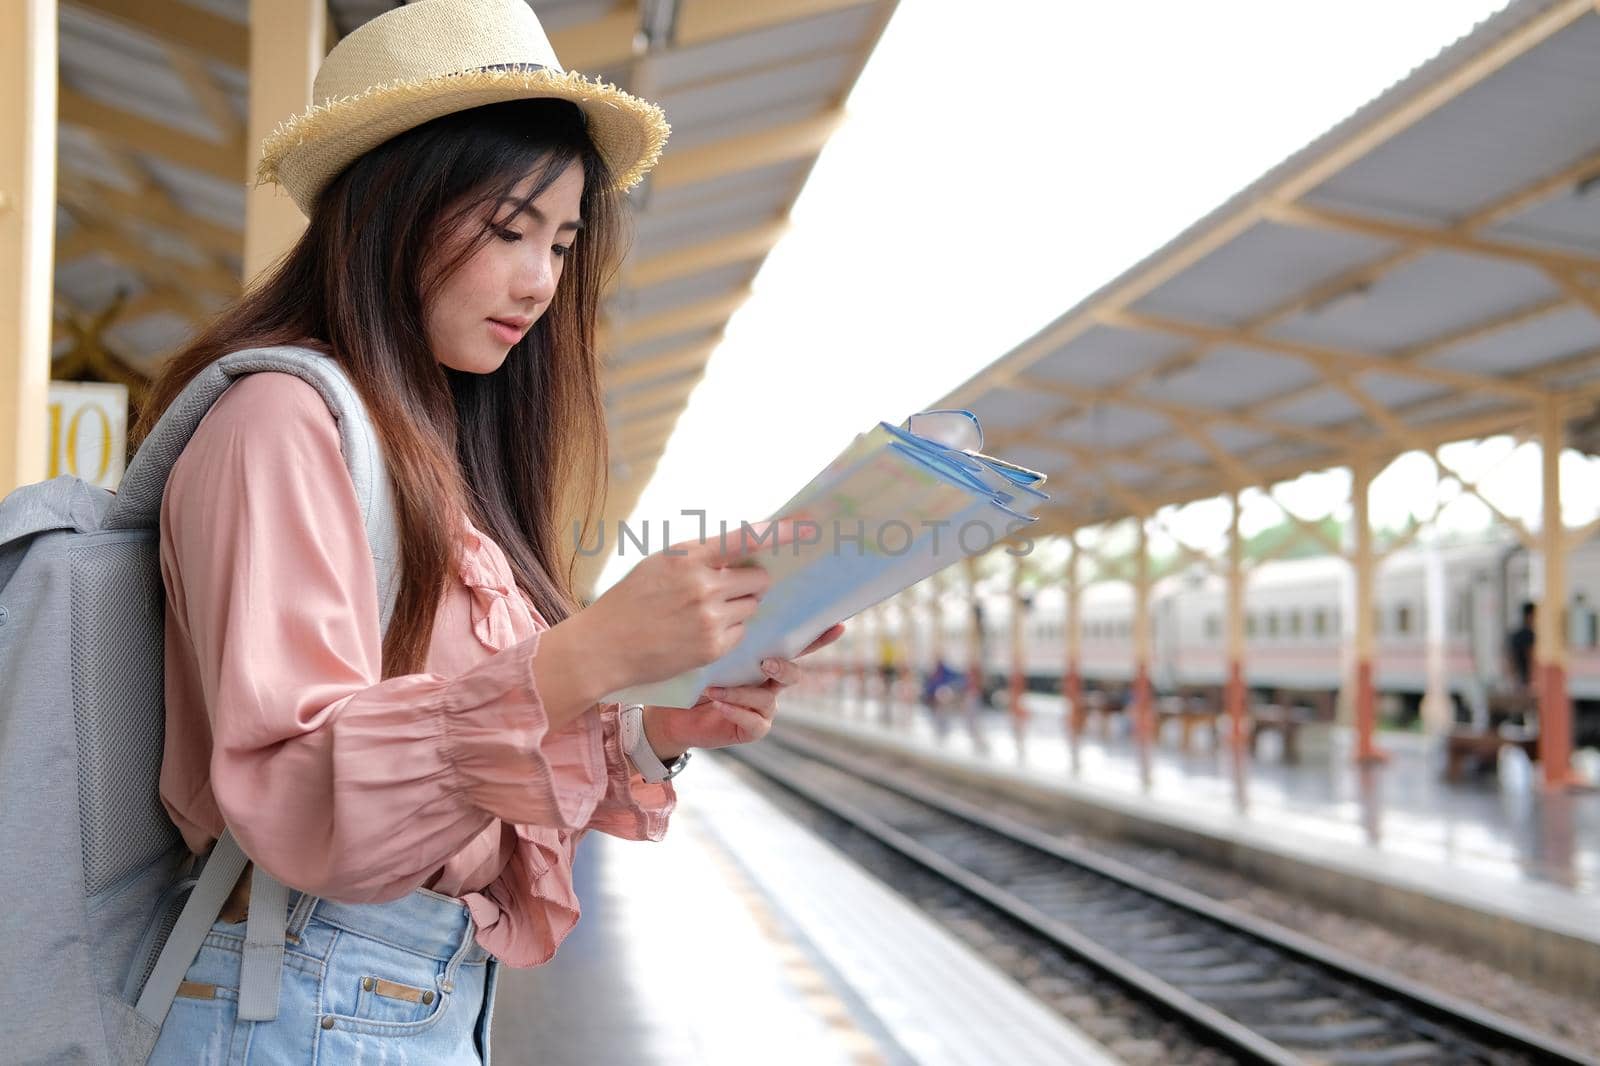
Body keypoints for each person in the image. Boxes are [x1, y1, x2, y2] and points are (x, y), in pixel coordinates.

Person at [136, 1, 843, 1061]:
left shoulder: (429, 452)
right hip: (291, 995)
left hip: (393, 993)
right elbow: (291, 790)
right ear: (392, 208)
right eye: (508, 229)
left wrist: (657, 725)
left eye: (559, 243)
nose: (539, 281)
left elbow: (468, 762)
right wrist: (595, 647)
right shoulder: (278, 423)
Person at [1507, 600, 1536, 691]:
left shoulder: (1515, 634)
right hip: (1525, 678)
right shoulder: (1528, 634)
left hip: (1516, 678)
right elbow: (1530, 655)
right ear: (1530, 615)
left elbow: (1510, 657)